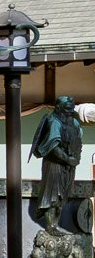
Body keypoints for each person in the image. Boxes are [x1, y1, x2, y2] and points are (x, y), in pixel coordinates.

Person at [30, 95, 84, 235]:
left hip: (69, 165)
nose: (69, 111)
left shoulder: (74, 122)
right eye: (67, 108)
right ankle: (51, 226)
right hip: (54, 165)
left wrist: (76, 157)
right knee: (52, 195)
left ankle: (56, 224)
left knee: (63, 196)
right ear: (59, 108)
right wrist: (67, 158)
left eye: (71, 108)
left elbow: (78, 141)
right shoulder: (54, 122)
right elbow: (53, 146)